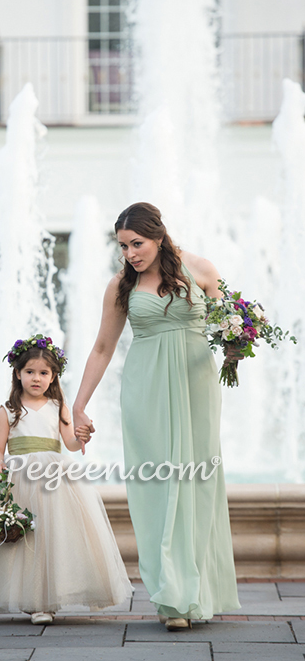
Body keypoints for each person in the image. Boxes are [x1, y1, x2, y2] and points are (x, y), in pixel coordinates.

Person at [72, 202, 241, 630]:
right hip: (145, 390)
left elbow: (231, 325)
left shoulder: (201, 269)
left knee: (197, 484)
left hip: (197, 389)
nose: (130, 253)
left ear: (159, 237)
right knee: (158, 487)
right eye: (124, 246)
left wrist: (238, 343)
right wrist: (78, 405)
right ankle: (171, 597)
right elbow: (102, 348)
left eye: (137, 243)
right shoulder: (120, 287)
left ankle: (196, 590)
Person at [0, 335, 133, 624]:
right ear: (18, 374)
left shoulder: (58, 406)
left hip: (54, 480)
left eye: (44, 373)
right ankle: (30, 598)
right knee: (25, 539)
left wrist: (81, 437)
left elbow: (69, 443)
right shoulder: (8, 410)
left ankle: (47, 600)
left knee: (52, 536)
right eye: (30, 372)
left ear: (54, 376)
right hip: (18, 478)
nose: (37, 378)